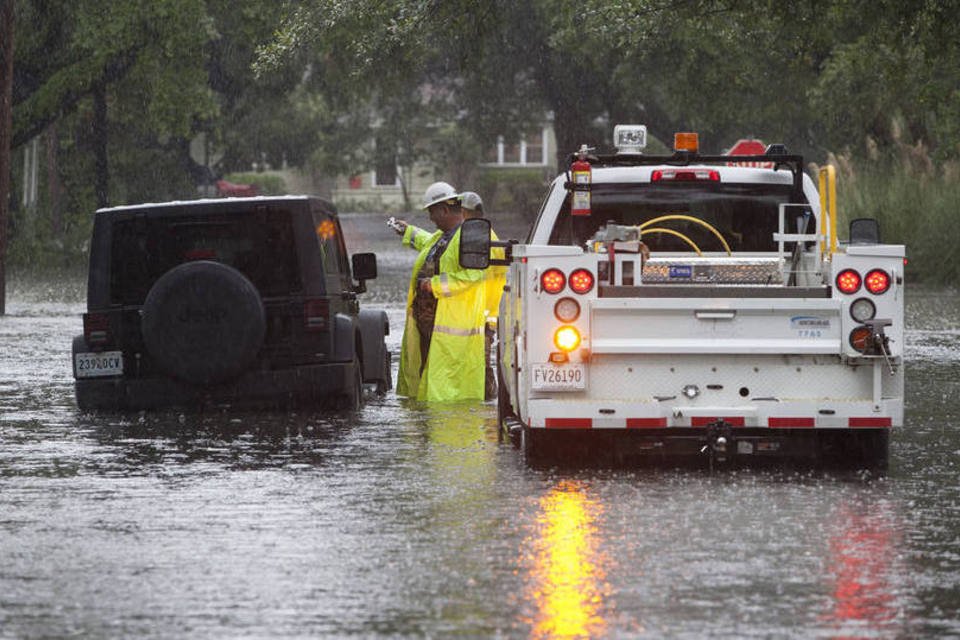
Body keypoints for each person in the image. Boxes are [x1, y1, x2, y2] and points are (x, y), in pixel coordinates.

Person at [389, 182, 487, 402]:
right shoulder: (445, 235)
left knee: (445, 385)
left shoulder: (469, 236)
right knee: (429, 374)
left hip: (450, 326)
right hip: (431, 324)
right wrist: (408, 231)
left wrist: (432, 285)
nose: (431, 219)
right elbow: (428, 244)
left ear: (444, 209)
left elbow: (473, 275)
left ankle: (438, 424)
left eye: (432, 212)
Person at [459, 191, 507, 400]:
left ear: (466, 213)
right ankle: (487, 402)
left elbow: (472, 278)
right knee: (482, 364)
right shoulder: (488, 236)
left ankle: (486, 401)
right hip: (486, 314)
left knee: (481, 365)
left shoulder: (479, 239)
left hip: (482, 315)